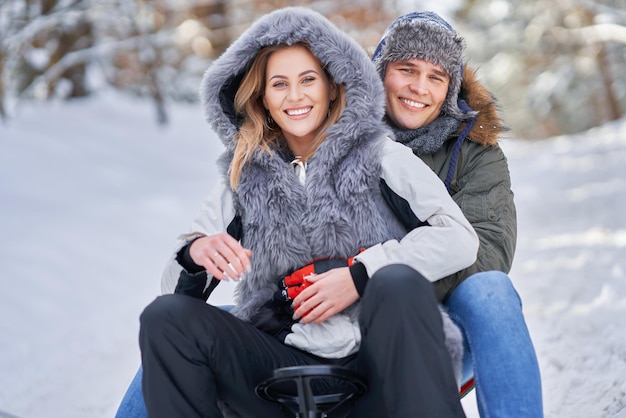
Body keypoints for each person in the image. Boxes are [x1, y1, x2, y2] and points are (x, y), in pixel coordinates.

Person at [133, 7, 479, 418]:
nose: (294, 96)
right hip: (275, 368)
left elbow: (459, 238)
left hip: (375, 365)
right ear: (261, 96)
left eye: (308, 80)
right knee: (165, 318)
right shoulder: (242, 176)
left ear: (333, 87)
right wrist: (194, 255)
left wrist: (359, 275)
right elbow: (174, 291)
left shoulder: (381, 155)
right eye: (279, 84)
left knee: (400, 282)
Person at [371, 11, 544, 417]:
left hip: (437, 322)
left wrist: (390, 285)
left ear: (451, 88)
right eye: (406, 69)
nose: (419, 87)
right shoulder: (338, 138)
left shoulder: (476, 153)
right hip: (344, 317)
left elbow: (488, 250)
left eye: (436, 76)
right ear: (380, 74)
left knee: (492, 291)